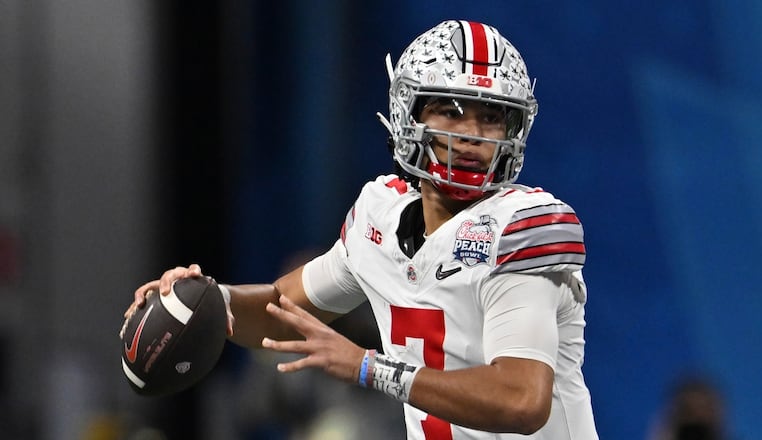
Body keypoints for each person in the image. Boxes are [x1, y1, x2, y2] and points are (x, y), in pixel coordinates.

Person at [126, 20, 598, 439]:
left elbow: (520, 401)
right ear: (409, 116)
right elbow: (280, 311)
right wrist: (206, 298)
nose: (472, 134)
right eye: (451, 111)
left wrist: (368, 367)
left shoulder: (523, 227)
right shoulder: (380, 216)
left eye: (491, 117)